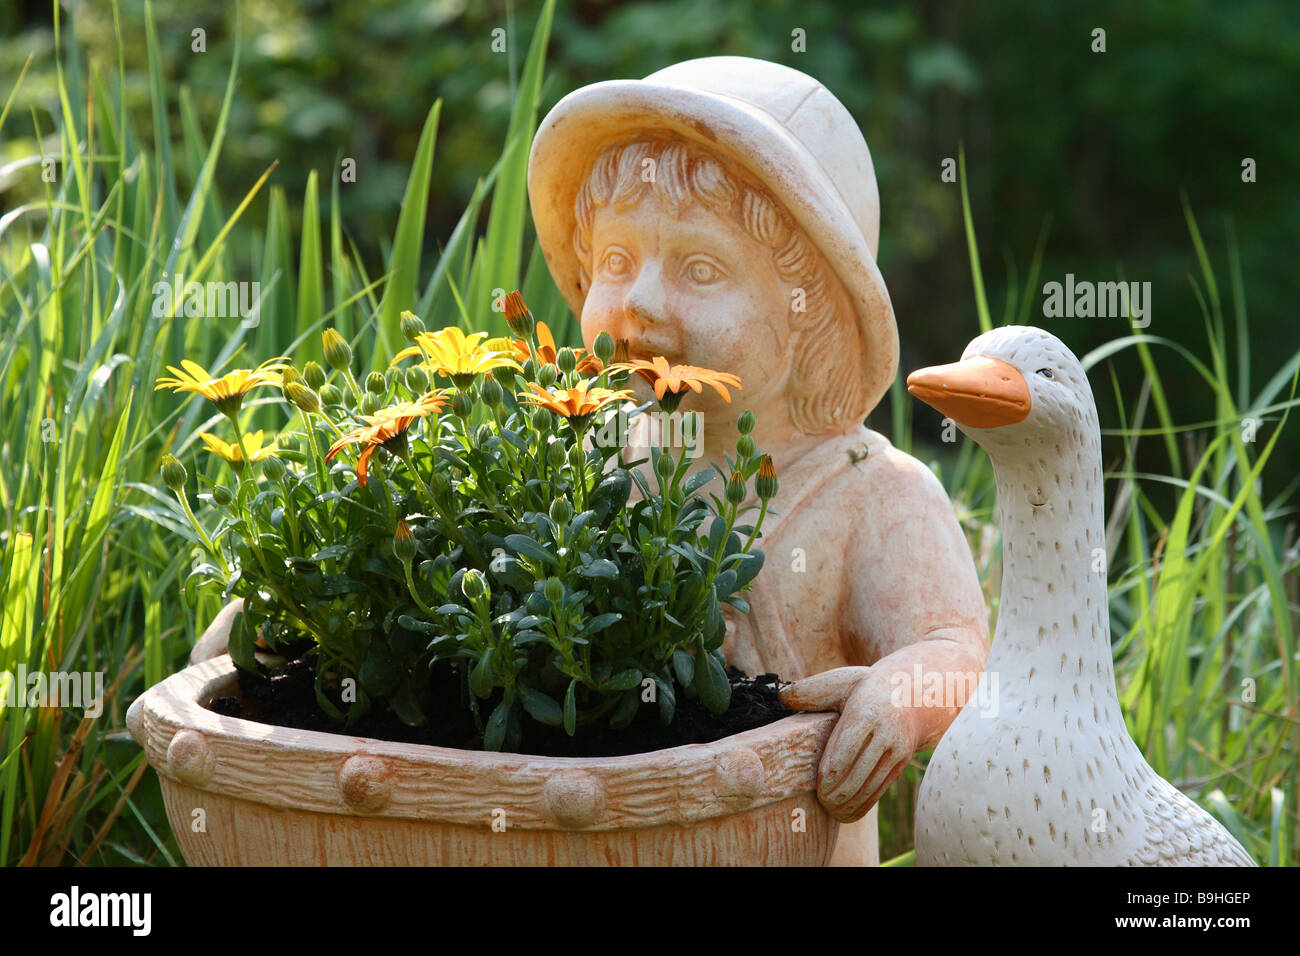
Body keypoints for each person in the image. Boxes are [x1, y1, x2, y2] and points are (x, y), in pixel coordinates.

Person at [528, 56, 988, 865]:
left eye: (701, 269)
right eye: (615, 262)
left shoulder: (869, 492)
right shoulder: (590, 453)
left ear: (811, 319)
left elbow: (954, 648)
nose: (637, 302)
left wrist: (901, 697)